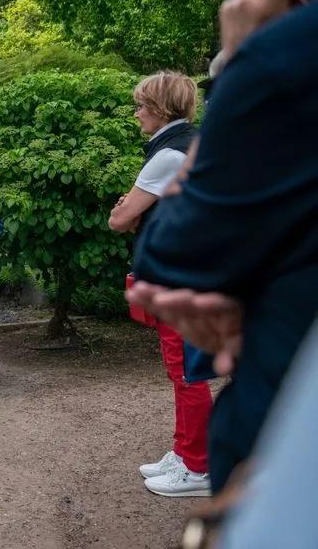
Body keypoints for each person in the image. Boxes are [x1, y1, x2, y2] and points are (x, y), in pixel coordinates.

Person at [129, 0, 318, 496]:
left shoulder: (282, 66)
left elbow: (165, 250)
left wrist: (239, 60)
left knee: (188, 375)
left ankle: (192, 458)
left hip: (286, 465)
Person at [108, 72, 212, 498]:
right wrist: (131, 210)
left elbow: (120, 219)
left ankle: (198, 468)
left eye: (141, 106)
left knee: (187, 373)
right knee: (183, 370)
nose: (136, 113)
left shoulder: (169, 155)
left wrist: (128, 211)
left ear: (160, 109)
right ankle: (185, 452)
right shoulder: (189, 143)